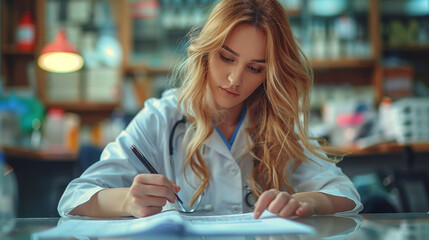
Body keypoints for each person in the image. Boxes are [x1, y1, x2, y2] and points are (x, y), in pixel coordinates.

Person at [58, 0, 362, 219]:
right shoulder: (162, 117)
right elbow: (74, 198)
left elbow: (346, 196)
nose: (235, 79)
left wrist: (303, 202)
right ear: (205, 52)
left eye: (255, 68)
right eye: (226, 58)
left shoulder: (278, 124)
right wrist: (126, 200)